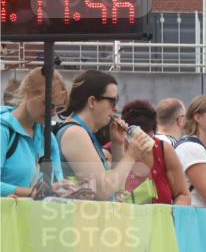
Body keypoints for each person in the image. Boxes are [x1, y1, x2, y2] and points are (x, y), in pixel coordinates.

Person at [58, 70, 155, 201]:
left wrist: (117, 145)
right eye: (112, 101)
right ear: (92, 101)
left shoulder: (84, 133)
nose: (116, 108)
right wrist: (131, 156)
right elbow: (102, 191)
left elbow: (116, 187)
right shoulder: (75, 133)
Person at [1, 68, 68, 197]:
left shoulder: (48, 138)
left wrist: (68, 190)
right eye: (48, 104)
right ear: (28, 92)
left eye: (58, 108)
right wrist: (31, 193)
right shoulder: (4, 131)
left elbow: (56, 182)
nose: (53, 113)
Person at [120, 99, 191, 205]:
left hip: (161, 219)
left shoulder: (163, 150)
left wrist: (171, 214)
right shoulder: (114, 150)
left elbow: (183, 195)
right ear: (125, 134)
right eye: (136, 138)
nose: (142, 143)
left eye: (147, 137)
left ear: (154, 132)